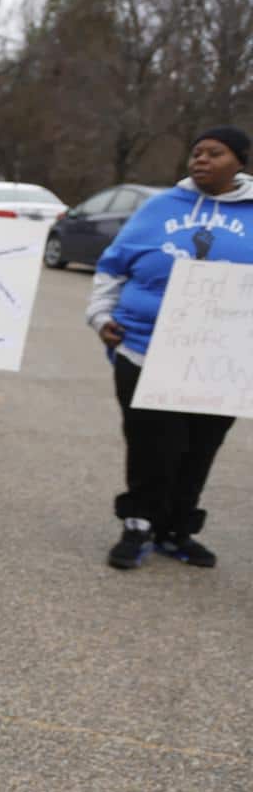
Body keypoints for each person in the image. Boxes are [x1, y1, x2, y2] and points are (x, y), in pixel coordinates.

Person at [87, 126, 251, 570]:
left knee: (199, 447)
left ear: (240, 161)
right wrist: (101, 318)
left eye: (214, 154)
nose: (200, 160)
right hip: (144, 350)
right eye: (196, 153)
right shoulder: (158, 208)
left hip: (222, 359)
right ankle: (139, 524)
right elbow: (112, 267)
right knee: (151, 444)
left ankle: (177, 530)